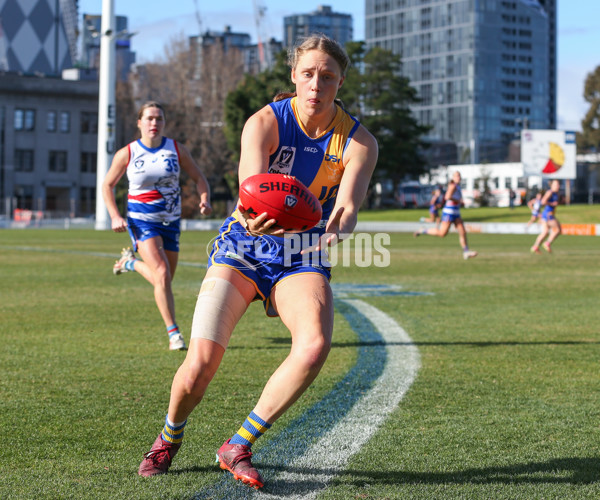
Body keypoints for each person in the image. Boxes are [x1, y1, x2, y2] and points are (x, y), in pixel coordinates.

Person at [136, 35, 378, 489]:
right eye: (308, 74)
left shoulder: (359, 141)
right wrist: (256, 216)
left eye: (327, 76)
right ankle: (170, 436)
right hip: (245, 244)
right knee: (200, 366)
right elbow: (252, 187)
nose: (316, 84)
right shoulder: (264, 122)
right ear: (293, 76)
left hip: (301, 253)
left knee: (314, 345)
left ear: (340, 81)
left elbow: (347, 208)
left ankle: (239, 443)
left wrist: (335, 229)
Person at [102, 101, 212, 351]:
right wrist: (115, 216)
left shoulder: (176, 149)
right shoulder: (127, 153)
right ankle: (174, 334)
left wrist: (204, 200)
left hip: (171, 222)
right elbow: (107, 184)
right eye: (149, 118)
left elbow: (199, 178)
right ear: (139, 123)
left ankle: (129, 263)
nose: (154, 123)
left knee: (164, 280)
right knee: (161, 274)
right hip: (142, 222)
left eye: (159, 119)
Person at [414, 171, 478, 260]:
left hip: (456, 212)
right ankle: (423, 230)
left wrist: (459, 202)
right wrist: (458, 201)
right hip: (449, 212)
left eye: (459, 175)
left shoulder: (458, 186)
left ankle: (466, 252)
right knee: (442, 233)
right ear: (453, 177)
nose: (459, 177)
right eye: (456, 176)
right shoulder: (453, 186)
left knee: (462, 231)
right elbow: (447, 197)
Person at [530, 179, 561, 254]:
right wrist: (552, 204)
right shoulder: (550, 192)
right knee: (558, 229)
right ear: (552, 185)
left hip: (546, 214)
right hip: (548, 214)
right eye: (556, 185)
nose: (558, 186)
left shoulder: (556, 193)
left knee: (545, 232)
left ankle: (535, 247)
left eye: (558, 184)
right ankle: (547, 243)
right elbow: (543, 202)